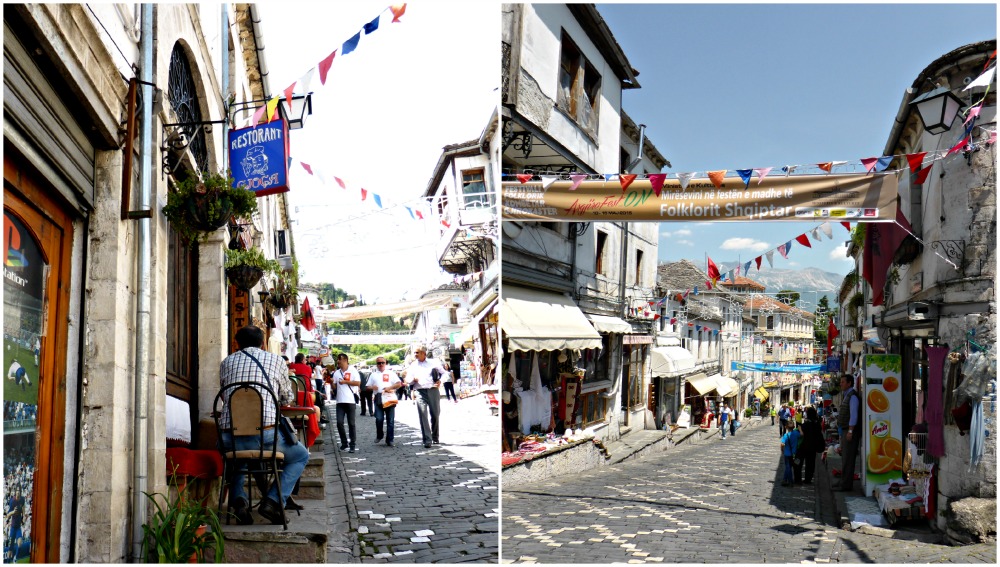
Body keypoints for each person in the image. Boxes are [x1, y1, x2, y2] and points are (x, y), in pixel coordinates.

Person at [218, 325, 310, 525]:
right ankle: (273, 501)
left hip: (229, 437)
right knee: (301, 456)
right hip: (264, 436)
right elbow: (287, 397)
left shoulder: (226, 362)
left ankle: (239, 501)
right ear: (263, 344)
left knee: (239, 455)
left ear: (236, 343)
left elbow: (226, 396)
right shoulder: (276, 360)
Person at [402, 345, 444, 448]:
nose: (415, 355)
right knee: (423, 415)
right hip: (420, 391)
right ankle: (427, 439)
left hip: (433, 390)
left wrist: (440, 381)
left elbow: (444, 373)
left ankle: (435, 436)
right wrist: (413, 380)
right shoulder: (413, 365)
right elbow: (407, 379)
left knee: (435, 414)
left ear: (424, 353)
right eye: (415, 353)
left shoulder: (433, 363)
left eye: (417, 352)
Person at [367, 357, 403, 446]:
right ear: (376, 364)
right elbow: (367, 387)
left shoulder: (391, 373)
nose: (381, 364)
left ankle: (390, 439)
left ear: (385, 363)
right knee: (379, 418)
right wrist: (372, 388)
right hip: (378, 397)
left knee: (390, 420)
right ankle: (380, 434)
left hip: (389, 396)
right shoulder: (373, 375)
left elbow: (399, 384)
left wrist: (389, 388)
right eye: (379, 363)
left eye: (382, 363)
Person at [834, 373, 861, 491]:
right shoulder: (847, 395)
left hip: (850, 431)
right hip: (845, 430)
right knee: (844, 457)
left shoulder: (853, 397)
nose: (841, 384)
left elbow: (854, 415)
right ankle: (843, 481)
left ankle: (846, 485)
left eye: (843, 382)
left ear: (849, 383)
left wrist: (850, 431)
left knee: (848, 459)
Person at [331, 353, 362, 453]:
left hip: (350, 401)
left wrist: (346, 382)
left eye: (339, 360)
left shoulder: (352, 370)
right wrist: (332, 383)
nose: (338, 362)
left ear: (345, 360)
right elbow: (335, 387)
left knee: (351, 423)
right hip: (340, 401)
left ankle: (352, 444)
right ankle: (344, 442)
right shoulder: (336, 373)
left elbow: (357, 383)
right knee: (339, 422)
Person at [799, 406, 825, 484]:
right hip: (813, 446)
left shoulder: (806, 424)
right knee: (811, 463)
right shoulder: (817, 424)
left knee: (805, 462)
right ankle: (809, 478)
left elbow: (801, 433)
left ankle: (803, 478)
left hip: (805, 446)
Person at [780, 421, 800, 487]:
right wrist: (800, 429)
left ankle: (790, 481)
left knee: (788, 467)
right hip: (794, 453)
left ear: (786, 427)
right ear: (794, 427)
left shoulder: (786, 435)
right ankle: (784, 479)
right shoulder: (796, 433)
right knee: (789, 467)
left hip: (787, 454)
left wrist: (782, 450)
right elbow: (802, 434)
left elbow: (782, 444)